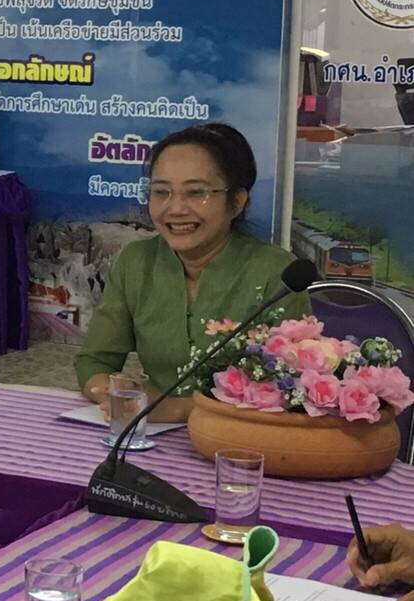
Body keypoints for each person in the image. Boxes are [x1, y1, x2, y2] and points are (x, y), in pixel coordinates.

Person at [76, 122, 311, 407]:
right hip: (152, 427)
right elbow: (95, 360)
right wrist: (108, 391)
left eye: (196, 192)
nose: (175, 209)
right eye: (161, 192)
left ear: (237, 202)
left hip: (238, 432)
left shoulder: (277, 272)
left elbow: (288, 387)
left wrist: (177, 410)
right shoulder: (136, 262)